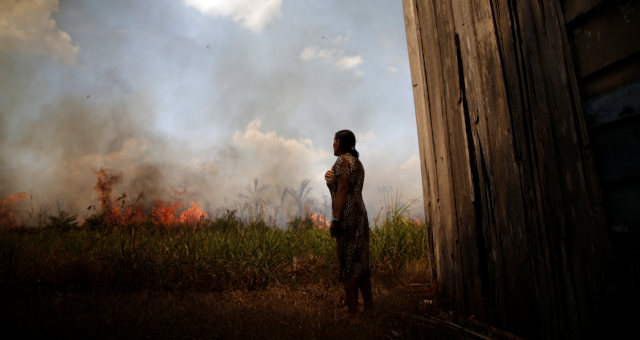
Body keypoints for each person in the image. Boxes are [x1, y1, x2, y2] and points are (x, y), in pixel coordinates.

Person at [325, 129, 372, 320]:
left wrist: (336, 220)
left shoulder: (342, 161)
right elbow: (345, 185)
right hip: (360, 214)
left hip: (347, 217)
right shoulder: (356, 162)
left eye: (334, 141)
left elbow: (343, 189)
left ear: (339, 142)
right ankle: (369, 306)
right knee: (361, 261)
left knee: (348, 261)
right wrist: (331, 179)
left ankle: (353, 311)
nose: (332, 144)